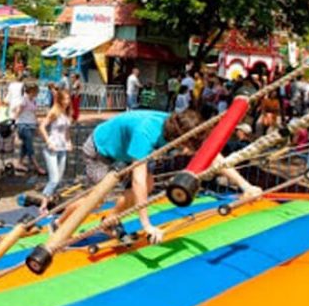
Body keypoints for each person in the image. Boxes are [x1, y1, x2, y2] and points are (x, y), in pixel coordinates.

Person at [51, 110, 261, 246]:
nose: (189, 152)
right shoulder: (147, 134)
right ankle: (59, 224)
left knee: (150, 183)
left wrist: (246, 186)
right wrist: (146, 224)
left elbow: (214, 156)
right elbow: (138, 181)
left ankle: (109, 221)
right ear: (177, 139)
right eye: (187, 147)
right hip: (101, 148)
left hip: (125, 150)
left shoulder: (182, 130)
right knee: (98, 197)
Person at [38, 89, 73, 212]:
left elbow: (67, 130)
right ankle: (43, 205)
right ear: (59, 100)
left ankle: (52, 199)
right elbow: (42, 126)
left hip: (62, 148)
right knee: (54, 179)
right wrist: (48, 141)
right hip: (52, 148)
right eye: (64, 99)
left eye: (68, 99)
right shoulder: (54, 111)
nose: (67, 102)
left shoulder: (67, 113)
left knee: (59, 178)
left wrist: (69, 142)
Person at [14, 83, 46, 175]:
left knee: (25, 146)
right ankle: (37, 166)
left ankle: (19, 163)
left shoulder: (33, 100)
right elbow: (18, 112)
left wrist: (36, 124)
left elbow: (34, 113)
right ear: (31, 91)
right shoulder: (24, 100)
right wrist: (14, 123)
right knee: (29, 146)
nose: (38, 93)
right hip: (23, 126)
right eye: (36, 91)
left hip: (31, 125)